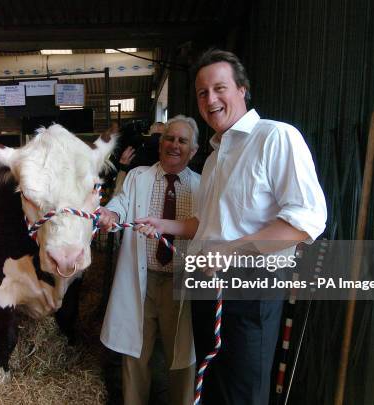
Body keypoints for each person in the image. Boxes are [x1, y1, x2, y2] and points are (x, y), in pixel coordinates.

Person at [136, 49, 327, 404]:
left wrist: (231, 252)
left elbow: (306, 220)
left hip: (249, 288)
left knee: (242, 392)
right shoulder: (213, 159)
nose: (210, 99)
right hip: (207, 285)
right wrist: (162, 224)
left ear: (242, 89)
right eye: (202, 93)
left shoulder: (275, 137)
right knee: (211, 386)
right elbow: (208, 226)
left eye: (219, 88)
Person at [98, 115, 200, 405]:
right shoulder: (137, 176)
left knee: (183, 360)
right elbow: (120, 201)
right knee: (135, 356)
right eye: (169, 138)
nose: (174, 145)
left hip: (180, 286)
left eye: (182, 141)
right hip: (141, 281)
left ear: (193, 151)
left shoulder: (202, 186)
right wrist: (112, 214)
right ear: (159, 144)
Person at [114, 122, 166, 195]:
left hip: (137, 191)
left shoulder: (139, 145)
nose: (148, 131)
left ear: (157, 128)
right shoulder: (170, 151)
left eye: (150, 129)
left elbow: (119, 191)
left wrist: (123, 167)